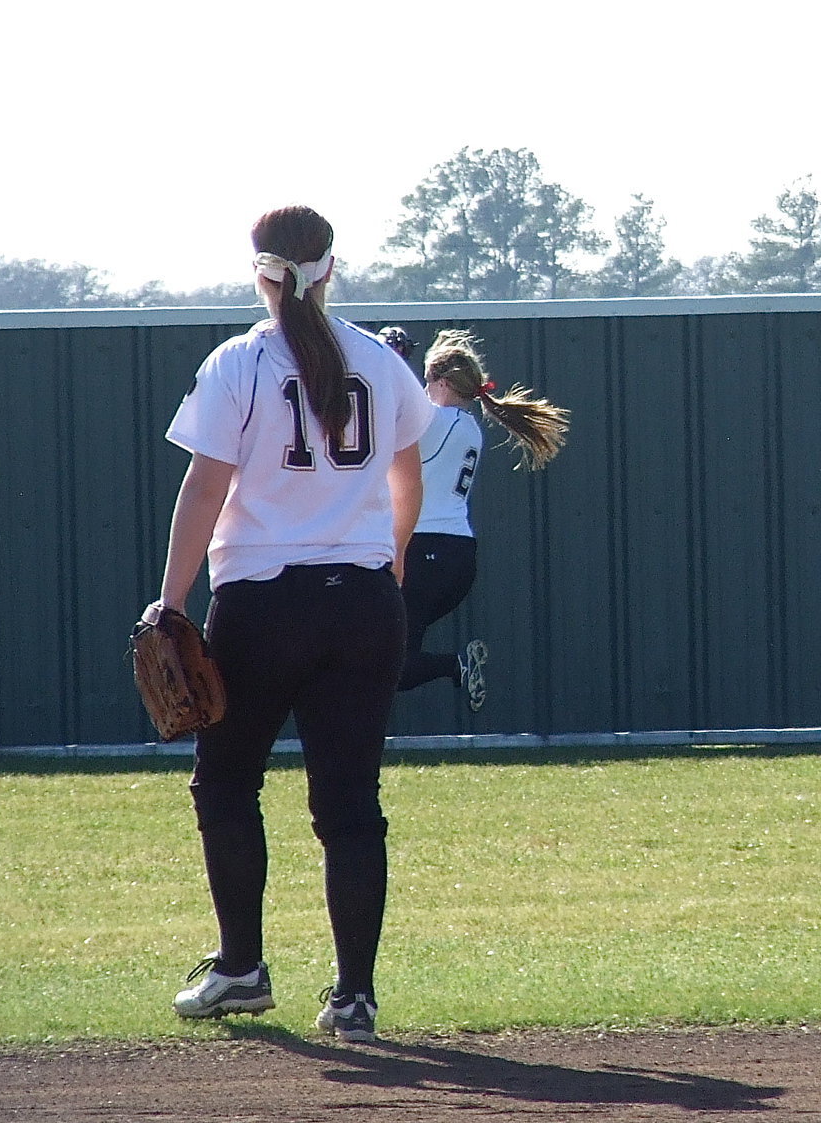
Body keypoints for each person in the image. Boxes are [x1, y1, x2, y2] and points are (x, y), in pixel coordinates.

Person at [150, 206, 434, 1043]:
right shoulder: (381, 361)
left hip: (264, 601)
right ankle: (354, 998)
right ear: (330, 270)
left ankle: (241, 968)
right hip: (363, 603)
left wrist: (170, 601)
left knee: (228, 784)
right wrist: (395, 556)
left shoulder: (240, 361)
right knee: (350, 806)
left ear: (261, 273)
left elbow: (205, 490)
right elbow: (407, 476)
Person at [396, 328, 570, 709]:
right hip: (453, 556)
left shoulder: (439, 420)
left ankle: (455, 666)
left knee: (389, 666)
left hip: (428, 552)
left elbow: (390, 411)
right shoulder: (466, 425)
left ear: (441, 383)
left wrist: (394, 360)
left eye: (428, 382)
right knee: (383, 659)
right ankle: (455, 666)